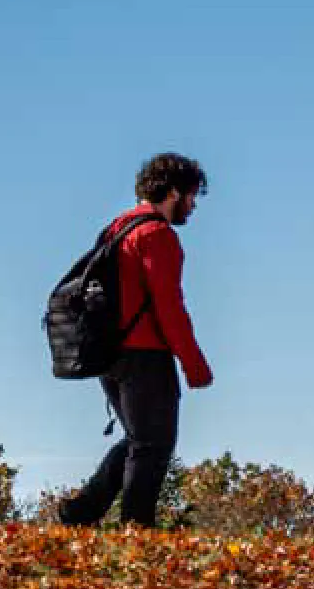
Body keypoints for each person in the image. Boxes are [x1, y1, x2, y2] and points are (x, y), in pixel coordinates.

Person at [58, 152, 214, 528]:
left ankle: (81, 512)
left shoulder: (116, 230)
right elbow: (169, 307)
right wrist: (194, 364)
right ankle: (137, 529)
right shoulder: (157, 236)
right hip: (144, 354)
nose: (193, 205)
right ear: (173, 192)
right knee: (153, 446)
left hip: (108, 352)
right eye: (192, 196)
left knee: (139, 440)